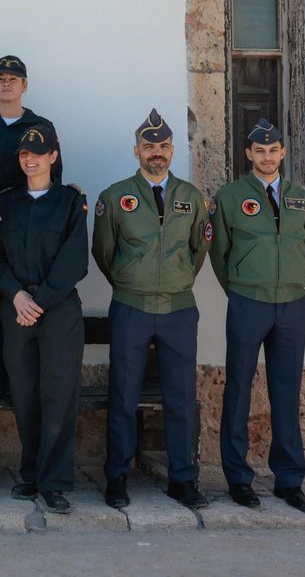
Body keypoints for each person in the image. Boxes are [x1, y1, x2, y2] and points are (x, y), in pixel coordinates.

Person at [93, 109, 211, 510]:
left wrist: (175, 280)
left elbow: (199, 251)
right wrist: (131, 280)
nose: (156, 153)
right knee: (123, 396)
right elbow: (104, 252)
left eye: (162, 147)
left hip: (178, 309)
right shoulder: (114, 196)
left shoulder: (192, 198)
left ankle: (183, 479)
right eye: (149, 147)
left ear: (172, 150)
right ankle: (117, 477)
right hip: (131, 307)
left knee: (180, 397)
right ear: (136, 151)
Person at [208, 119, 305, 513]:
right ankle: (238, 478)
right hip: (247, 302)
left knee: (286, 390)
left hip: (291, 303)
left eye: (273, 150)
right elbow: (219, 252)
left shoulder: (298, 197)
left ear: (283, 154)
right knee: (238, 387)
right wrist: (240, 286)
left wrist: (289, 279)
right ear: (248, 154)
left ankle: (289, 479)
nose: (267, 156)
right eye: (260, 151)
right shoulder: (230, 196)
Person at [0, 125, 88, 515]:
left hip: (57, 308)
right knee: (26, 394)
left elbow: (75, 259)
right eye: (24, 154)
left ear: (53, 156)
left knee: (59, 394)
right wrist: (17, 295)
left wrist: (39, 301)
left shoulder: (69, 201)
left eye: (38, 152)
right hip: (16, 308)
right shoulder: (7, 203)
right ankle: (31, 475)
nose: (29, 159)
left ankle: (55, 482)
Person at [0, 55, 62, 397]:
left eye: (14, 78)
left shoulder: (41, 126)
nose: (7, 83)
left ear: (25, 85)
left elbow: (55, 180)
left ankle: (21, 378)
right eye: (1, 78)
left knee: (21, 292)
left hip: (25, 222)